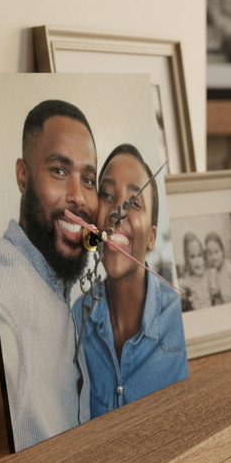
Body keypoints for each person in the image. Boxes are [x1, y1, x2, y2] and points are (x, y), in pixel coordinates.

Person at [0, 100, 98, 451]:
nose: (78, 196)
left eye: (88, 179)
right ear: (23, 176)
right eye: (59, 171)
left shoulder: (70, 295)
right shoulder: (1, 276)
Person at [74, 144, 187, 418]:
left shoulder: (182, 324)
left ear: (151, 236)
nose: (117, 212)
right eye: (108, 195)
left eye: (134, 203)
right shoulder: (77, 318)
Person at [204, 231, 231, 305]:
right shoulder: (215, 271)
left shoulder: (228, 267)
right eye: (210, 253)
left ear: (222, 251)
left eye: (216, 252)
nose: (213, 257)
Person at [177, 231, 213, 312]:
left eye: (199, 255)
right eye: (192, 257)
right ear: (187, 259)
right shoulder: (187, 281)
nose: (197, 261)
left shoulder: (208, 274)